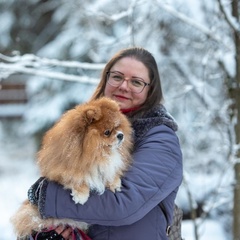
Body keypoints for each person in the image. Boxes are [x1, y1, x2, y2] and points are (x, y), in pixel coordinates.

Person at [27, 47, 183, 240]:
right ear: (106, 79)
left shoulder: (160, 139)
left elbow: (122, 204)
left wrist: (47, 197)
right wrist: (44, 231)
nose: (124, 86)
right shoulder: (85, 123)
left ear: (150, 91)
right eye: (117, 77)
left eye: (136, 82)